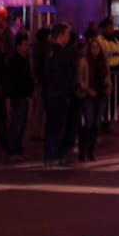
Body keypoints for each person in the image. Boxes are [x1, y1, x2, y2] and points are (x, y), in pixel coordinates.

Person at [42, 23, 76, 169]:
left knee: (51, 126)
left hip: (51, 93)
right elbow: (63, 75)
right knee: (57, 126)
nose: (69, 37)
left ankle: (50, 156)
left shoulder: (49, 53)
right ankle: (55, 156)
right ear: (61, 35)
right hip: (59, 94)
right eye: (67, 34)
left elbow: (45, 74)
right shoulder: (62, 53)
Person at [76, 34, 110, 162]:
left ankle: (91, 151)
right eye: (93, 47)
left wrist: (108, 87)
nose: (95, 50)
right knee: (88, 124)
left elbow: (107, 76)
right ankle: (82, 151)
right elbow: (80, 78)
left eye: (97, 47)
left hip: (101, 94)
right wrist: (87, 89)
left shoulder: (103, 62)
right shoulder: (84, 62)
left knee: (96, 125)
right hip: (89, 95)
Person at [4, 31, 34, 161]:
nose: (27, 47)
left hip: (24, 96)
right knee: (16, 124)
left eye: (28, 45)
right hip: (18, 96)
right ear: (18, 46)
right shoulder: (14, 61)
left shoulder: (24, 59)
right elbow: (12, 81)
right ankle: (12, 150)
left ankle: (17, 150)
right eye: (25, 45)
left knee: (21, 125)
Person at [98, 17, 119, 132]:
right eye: (110, 27)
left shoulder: (115, 40)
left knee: (116, 98)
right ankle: (102, 120)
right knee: (105, 98)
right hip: (106, 71)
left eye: (112, 26)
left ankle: (108, 119)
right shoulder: (100, 40)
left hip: (116, 71)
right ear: (104, 28)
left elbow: (118, 55)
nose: (112, 29)